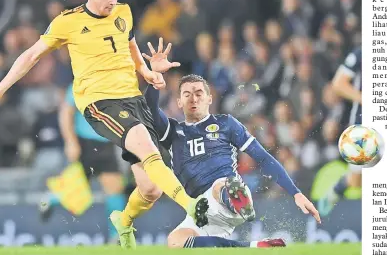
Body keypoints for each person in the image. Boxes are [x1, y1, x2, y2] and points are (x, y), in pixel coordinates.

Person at [0, 0, 209, 249]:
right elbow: (31, 55)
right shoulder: (68, 21)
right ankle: (192, 205)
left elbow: (130, 47)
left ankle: (123, 220)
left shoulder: (124, 13)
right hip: (101, 103)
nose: (113, 1)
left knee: (150, 189)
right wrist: (0, 88)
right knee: (141, 147)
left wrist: (148, 72)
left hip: (133, 100)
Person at [113, 44, 321, 248]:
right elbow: (149, 109)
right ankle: (254, 246)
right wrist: (155, 77)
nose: (193, 98)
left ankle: (238, 198)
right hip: (200, 208)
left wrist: (295, 193)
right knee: (175, 242)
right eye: (186, 94)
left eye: (198, 93)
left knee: (221, 185)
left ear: (209, 98)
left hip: (225, 194)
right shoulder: (172, 132)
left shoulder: (226, 123)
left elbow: (263, 157)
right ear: (178, 102)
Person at [39, 83, 126, 242]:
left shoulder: (112, 79)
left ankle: (117, 237)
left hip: (106, 142)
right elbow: (66, 112)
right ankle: (51, 197)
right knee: (80, 188)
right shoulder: (81, 81)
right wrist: (70, 141)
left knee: (114, 188)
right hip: (86, 142)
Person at [318, 47, 365, 216]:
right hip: (363, 124)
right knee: (355, 180)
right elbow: (338, 84)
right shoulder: (362, 52)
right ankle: (336, 191)